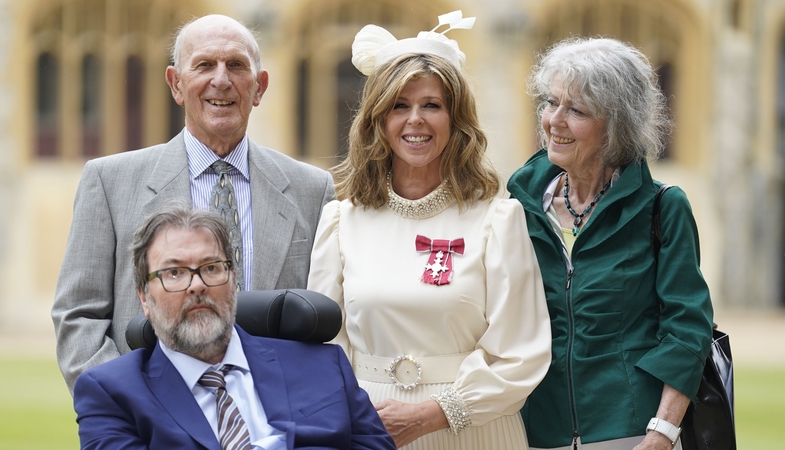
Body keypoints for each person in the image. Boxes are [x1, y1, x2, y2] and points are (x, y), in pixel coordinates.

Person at [307, 11, 552, 450]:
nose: (415, 119)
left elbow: (522, 353)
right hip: (368, 428)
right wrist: (356, 416)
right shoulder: (341, 221)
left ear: (456, 120)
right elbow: (324, 345)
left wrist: (434, 414)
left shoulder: (499, 220)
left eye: (432, 105)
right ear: (378, 120)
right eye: (399, 106)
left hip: (475, 429)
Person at [52, 14, 334, 393]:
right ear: (176, 84)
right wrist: (131, 406)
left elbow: (327, 320)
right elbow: (78, 316)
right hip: (152, 417)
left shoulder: (312, 190)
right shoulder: (108, 182)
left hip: (276, 417)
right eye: (204, 65)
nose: (221, 79)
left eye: (236, 65)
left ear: (259, 87)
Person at [506, 37, 714, 450]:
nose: (554, 121)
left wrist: (662, 432)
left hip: (631, 431)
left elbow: (687, 329)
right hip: (533, 431)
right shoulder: (517, 205)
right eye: (551, 103)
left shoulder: (663, 206)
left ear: (617, 125)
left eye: (577, 110)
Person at [72, 208, 395, 450]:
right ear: (144, 296)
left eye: (212, 268)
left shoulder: (322, 365)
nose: (196, 285)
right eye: (174, 273)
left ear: (234, 281)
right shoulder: (112, 392)